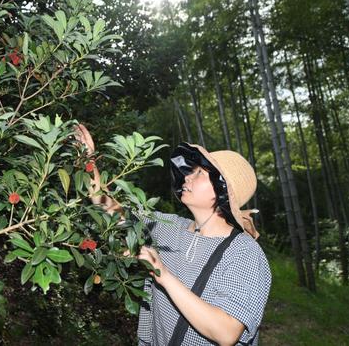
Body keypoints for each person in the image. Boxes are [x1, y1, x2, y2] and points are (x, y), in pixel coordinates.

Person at [73, 124, 271, 346]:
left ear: (222, 189)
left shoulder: (245, 253)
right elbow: (110, 208)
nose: (187, 177)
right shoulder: (168, 227)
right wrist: (86, 160)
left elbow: (226, 332)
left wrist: (164, 276)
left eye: (199, 173)